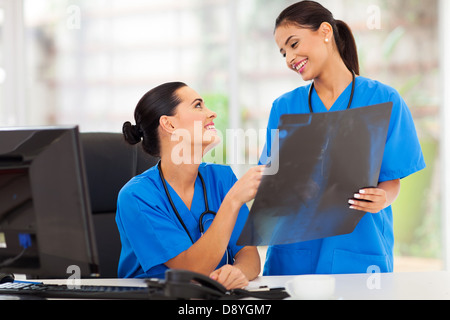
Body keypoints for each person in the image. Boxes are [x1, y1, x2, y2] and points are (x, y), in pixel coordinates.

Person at [260, 1, 426, 275]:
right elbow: (271, 181)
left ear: (325, 31)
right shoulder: (284, 107)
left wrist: (382, 198)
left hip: (360, 250)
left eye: (293, 44)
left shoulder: (384, 100)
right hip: (294, 256)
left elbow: (391, 179)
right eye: (283, 52)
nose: (290, 58)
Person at [116, 82, 263, 289]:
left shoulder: (221, 178)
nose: (212, 114)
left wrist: (235, 273)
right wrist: (232, 201)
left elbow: (248, 255)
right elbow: (189, 271)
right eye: (198, 106)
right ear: (169, 124)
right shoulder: (136, 196)